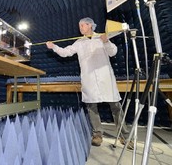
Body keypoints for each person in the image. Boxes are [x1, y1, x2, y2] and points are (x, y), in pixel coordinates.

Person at [46, 17, 132, 148]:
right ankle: (97, 134)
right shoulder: (79, 42)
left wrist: (106, 42)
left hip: (105, 78)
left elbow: (113, 52)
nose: (80, 28)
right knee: (92, 107)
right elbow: (66, 52)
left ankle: (125, 136)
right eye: (79, 26)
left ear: (90, 25)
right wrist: (54, 47)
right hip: (89, 78)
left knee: (115, 106)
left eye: (82, 26)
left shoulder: (102, 38)